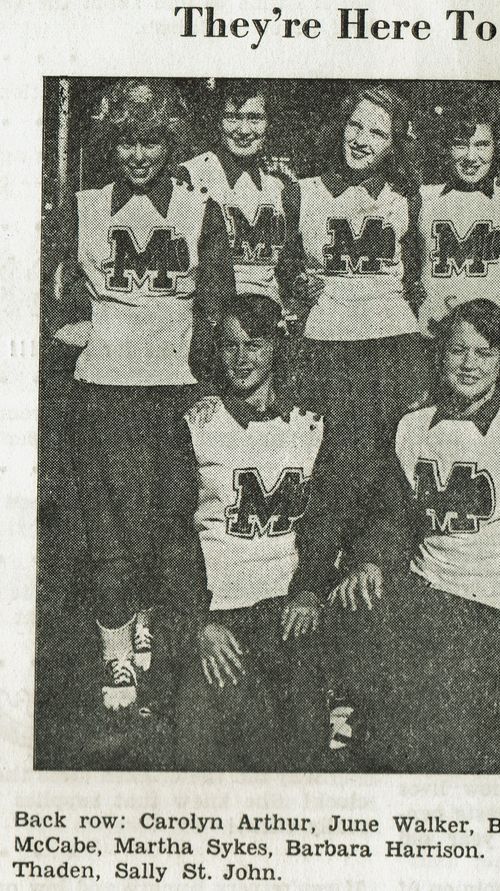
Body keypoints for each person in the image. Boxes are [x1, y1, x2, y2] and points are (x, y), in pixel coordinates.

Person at [49, 79, 236, 710]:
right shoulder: (83, 206)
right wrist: (79, 330)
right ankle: (115, 650)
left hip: (174, 389)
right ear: (112, 144)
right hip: (103, 388)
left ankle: (154, 622)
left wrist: (203, 370)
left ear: (169, 142)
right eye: (127, 141)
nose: (138, 154)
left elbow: (216, 302)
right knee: (107, 524)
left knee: (170, 518)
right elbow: (58, 298)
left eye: (151, 140)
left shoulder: (198, 207)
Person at [325, 299, 500, 772]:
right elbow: (392, 517)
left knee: (442, 742)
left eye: (484, 352)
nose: (470, 364)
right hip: (424, 590)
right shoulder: (412, 425)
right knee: (354, 598)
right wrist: (372, 560)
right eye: (458, 351)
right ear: (440, 356)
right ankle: (352, 702)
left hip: (486, 604)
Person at [173, 295, 334, 771]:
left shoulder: (311, 425)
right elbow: (171, 537)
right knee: (204, 751)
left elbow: (327, 523)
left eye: (254, 345)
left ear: (277, 349)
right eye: (229, 346)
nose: (241, 359)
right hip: (220, 613)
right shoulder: (195, 424)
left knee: (302, 750)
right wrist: (198, 622)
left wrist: (308, 592)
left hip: (286, 611)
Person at [277, 85, 432, 547]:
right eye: (355, 125)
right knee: (325, 462)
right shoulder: (301, 194)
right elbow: (284, 270)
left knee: (388, 463)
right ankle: (319, 570)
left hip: (391, 345)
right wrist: (299, 291)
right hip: (327, 345)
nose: (361, 139)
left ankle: (377, 565)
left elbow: (416, 271)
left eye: (377, 132)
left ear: (394, 143)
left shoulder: (406, 197)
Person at [180, 80, 289, 304]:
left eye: (255, 118)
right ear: (217, 122)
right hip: (211, 313)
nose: (244, 130)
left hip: (267, 317)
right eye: (232, 117)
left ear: (269, 123)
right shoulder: (191, 176)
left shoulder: (277, 185)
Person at [416, 101, 500, 332]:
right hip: (435, 332)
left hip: (493, 336)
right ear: (446, 148)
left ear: (496, 147)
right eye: (460, 145)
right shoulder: (423, 198)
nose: (471, 157)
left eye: (482, 145)